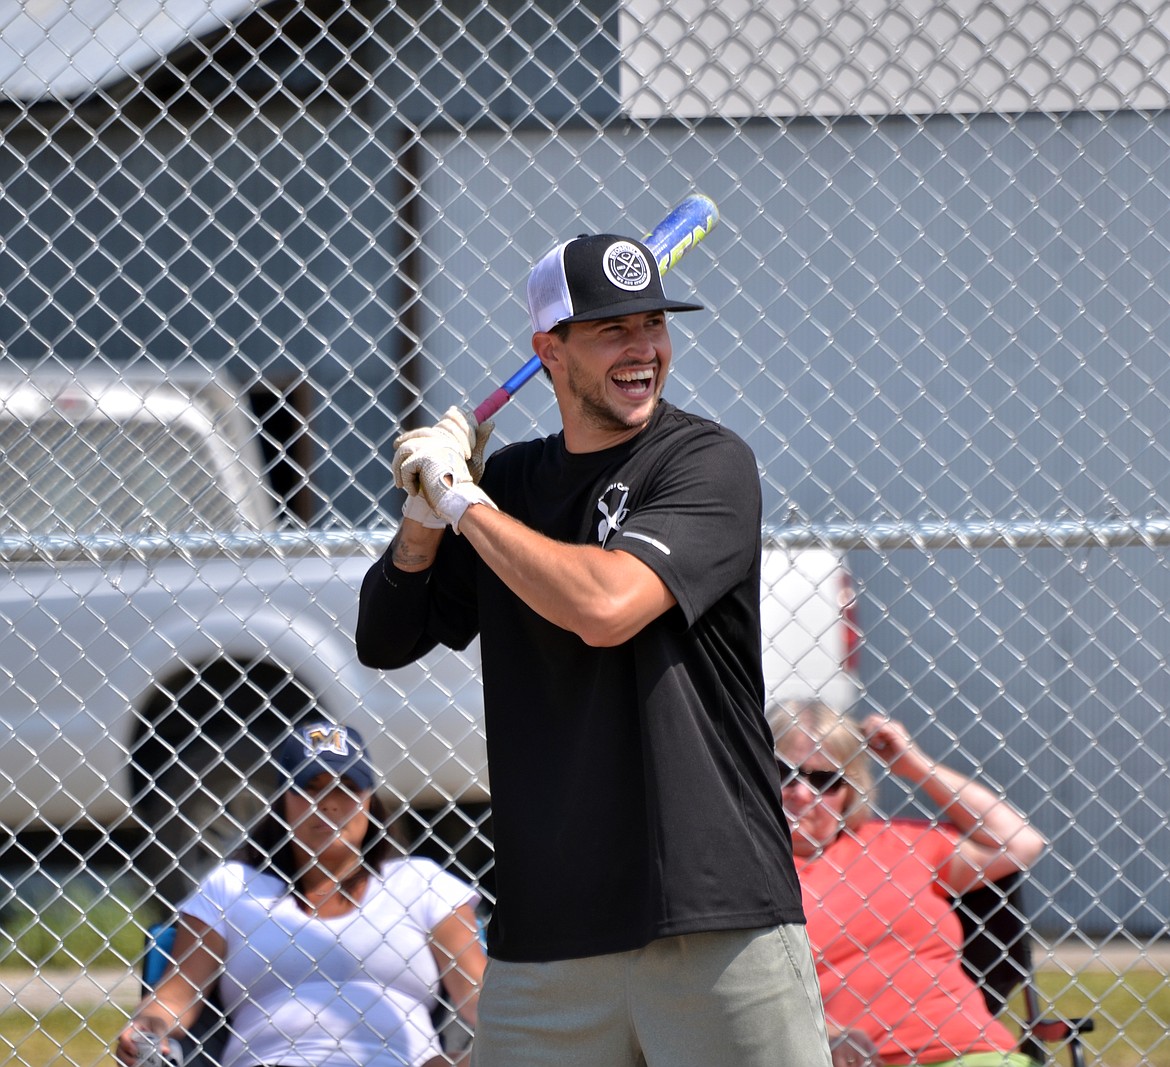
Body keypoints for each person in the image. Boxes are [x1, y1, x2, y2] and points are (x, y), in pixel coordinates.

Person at [355, 231, 833, 1067]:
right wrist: (424, 515)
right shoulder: (513, 487)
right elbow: (385, 638)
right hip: (549, 931)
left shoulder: (704, 461)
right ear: (551, 352)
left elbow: (607, 605)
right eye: (612, 329)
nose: (644, 347)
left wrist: (466, 503)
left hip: (707, 910)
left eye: (654, 324)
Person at [116, 720, 485, 1067]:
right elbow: (175, 997)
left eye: (347, 787)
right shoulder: (233, 888)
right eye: (311, 788)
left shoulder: (420, 884)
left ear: (370, 801)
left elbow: (482, 1000)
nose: (329, 803)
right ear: (282, 802)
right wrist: (148, 1028)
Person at [771, 699, 1047, 1067]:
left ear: (850, 790)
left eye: (825, 779)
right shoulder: (748, 872)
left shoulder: (903, 842)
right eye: (783, 772)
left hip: (973, 1052)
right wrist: (825, 1033)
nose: (802, 793)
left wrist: (915, 765)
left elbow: (1021, 843)